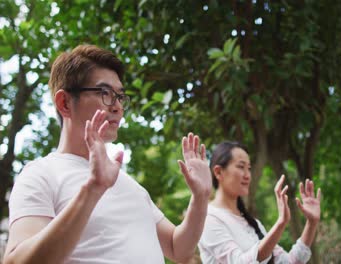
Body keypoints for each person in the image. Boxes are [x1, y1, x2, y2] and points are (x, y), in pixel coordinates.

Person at [3, 44, 212, 264]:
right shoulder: (40, 174)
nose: (117, 107)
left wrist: (200, 198)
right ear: (64, 103)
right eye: (105, 93)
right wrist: (92, 189)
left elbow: (177, 248)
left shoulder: (131, 186)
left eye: (120, 97)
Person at [198, 141, 321, 264]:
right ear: (218, 172)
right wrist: (280, 224)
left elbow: (288, 262)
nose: (247, 175)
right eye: (241, 167)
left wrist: (311, 223)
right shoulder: (207, 218)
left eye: (249, 168)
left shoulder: (254, 224)